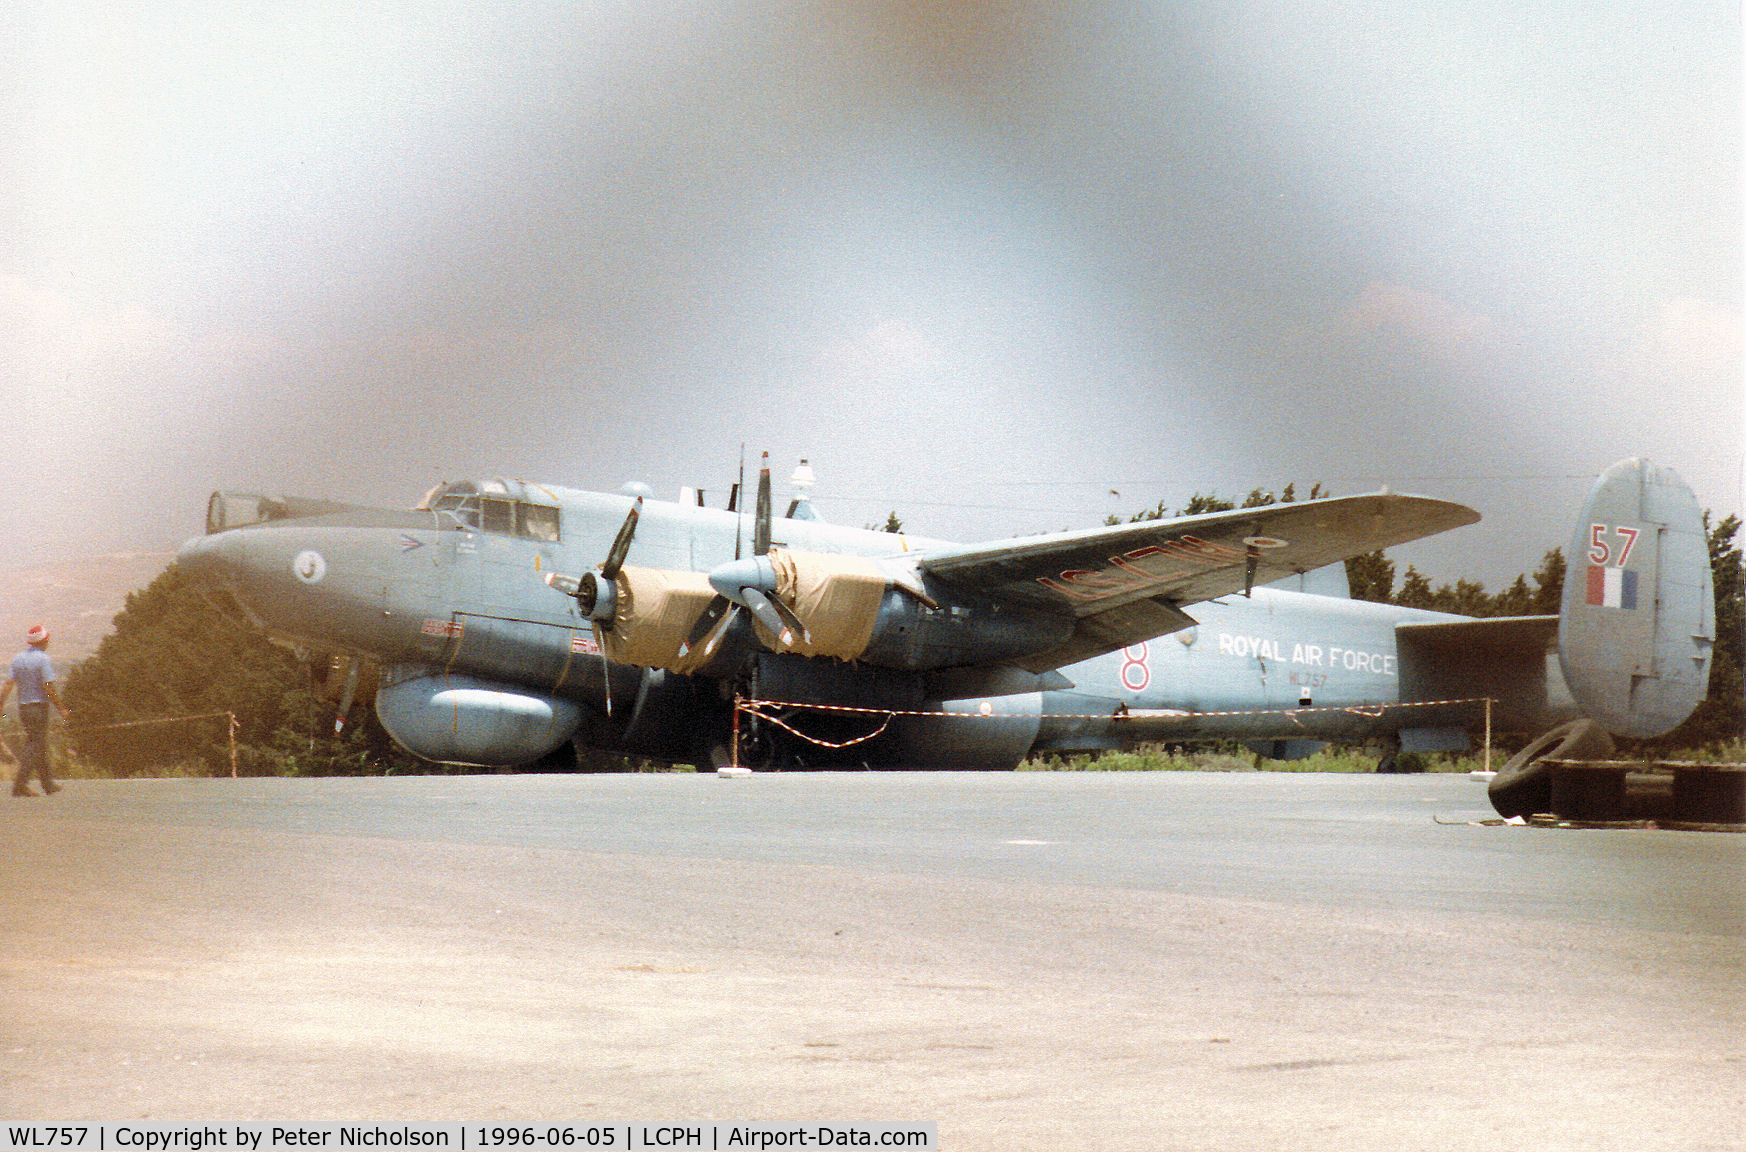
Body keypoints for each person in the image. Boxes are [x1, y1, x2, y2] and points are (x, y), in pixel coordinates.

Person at [2, 626, 70, 797]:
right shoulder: (43, 659)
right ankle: (20, 784)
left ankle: (47, 784)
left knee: (39, 743)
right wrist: (60, 708)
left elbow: (9, 684)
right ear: (43, 641)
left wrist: (0, 704)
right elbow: (48, 686)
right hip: (38, 708)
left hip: (23, 708)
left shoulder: (18, 659)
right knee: (34, 744)